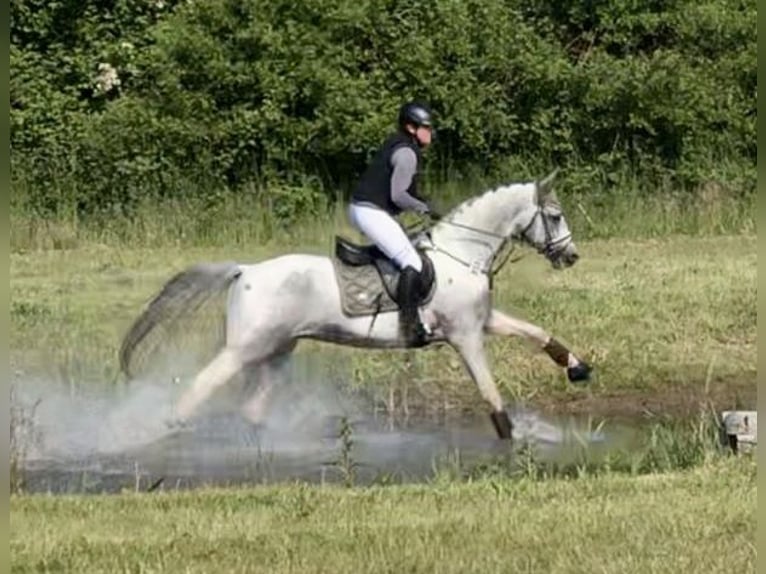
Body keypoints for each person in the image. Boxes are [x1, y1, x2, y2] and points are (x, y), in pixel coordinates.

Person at [348, 101, 441, 347]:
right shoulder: (407, 153)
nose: (430, 133)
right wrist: (425, 208)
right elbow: (398, 195)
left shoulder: (399, 144)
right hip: (370, 211)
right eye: (426, 128)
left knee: (409, 248)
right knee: (412, 261)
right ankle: (409, 328)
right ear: (411, 128)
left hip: (368, 209)